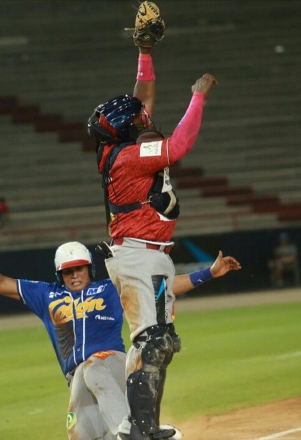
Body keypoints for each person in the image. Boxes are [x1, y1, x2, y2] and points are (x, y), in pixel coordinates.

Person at [0, 242, 240, 440]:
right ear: (60, 274)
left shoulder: (110, 288)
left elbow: (162, 286)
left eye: (79, 268)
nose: (74, 275)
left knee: (93, 365)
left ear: (89, 268)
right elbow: (1, 283)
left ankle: (134, 431)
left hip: (113, 367)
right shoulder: (47, 295)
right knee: (81, 436)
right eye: (67, 271)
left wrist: (209, 273)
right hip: (77, 380)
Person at [86, 12, 219, 439]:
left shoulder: (121, 146)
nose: (144, 114)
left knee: (160, 343)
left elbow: (141, 102)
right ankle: (136, 430)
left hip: (150, 254)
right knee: (151, 343)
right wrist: (197, 97)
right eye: (137, 116)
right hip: (138, 254)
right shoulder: (128, 156)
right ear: (128, 129)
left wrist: (145, 53)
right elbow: (179, 144)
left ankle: (144, 426)